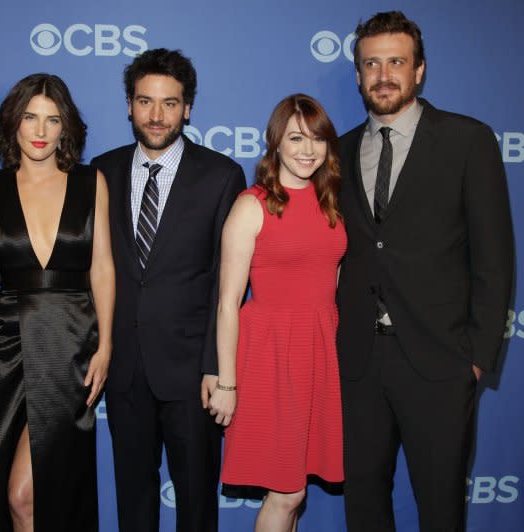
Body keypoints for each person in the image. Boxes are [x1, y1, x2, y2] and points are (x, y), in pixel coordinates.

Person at [337, 11, 514, 532]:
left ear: (419, 71)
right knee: (364, 506)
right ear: (358, 75)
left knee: (440, 509)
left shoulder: (467, 141)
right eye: (372, 63)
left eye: (396, 62)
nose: (383, 75)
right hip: (358, 363)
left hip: (439, 363)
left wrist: (477, 360)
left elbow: (495, 258)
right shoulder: (337, 153)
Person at [91, 48, 246, 532]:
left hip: (191, 376)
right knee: (133, 500)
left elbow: (227, 282)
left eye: (170, 103)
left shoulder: (221, 176)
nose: (157, 116)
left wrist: (213, 367)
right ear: (129, 106)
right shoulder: (101, 170)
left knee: (197, 502)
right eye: (145, 102)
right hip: (124, 370)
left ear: (188, 108)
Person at [0, 73, 114, 532]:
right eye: (30, 117)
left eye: (52, 120)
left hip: (69, 346)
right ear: (13, 123)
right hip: (3, 348)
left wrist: (106, 346)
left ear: (65, 128)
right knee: (6, 489)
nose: (40, 130)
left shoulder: (91, 182)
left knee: (33, 492)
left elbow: (102, 268)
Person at [209, 94, 345, 531]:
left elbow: (330, 280)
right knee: (287, 492)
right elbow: (229, 302)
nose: (307, 150)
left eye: (317, 139)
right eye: (296, 138)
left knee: (294, 492)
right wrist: (227, 382)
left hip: (319, 353)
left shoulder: (331, 204)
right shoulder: (253, 205)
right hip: (271, 356)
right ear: (276, 143)